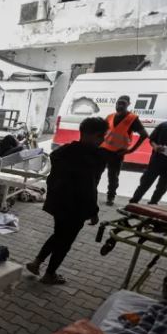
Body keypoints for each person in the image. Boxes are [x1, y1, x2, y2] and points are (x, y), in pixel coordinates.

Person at [26, 117, 108, 285]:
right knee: (65, 241)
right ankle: (49, 274)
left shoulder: (64, 151)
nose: (103, 140)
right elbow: (89, 187)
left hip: (59, 203)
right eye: (101, 136)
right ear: (91, 135)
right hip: (76, 207)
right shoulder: (94, 157)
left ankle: (36, 262)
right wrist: (93, 211)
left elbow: (53, 179)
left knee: (59, 234)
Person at [129, 102, 167, 205]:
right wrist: (156, 147)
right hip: (157, 161)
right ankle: (133, 202)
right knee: (145, 182)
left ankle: (153, 204)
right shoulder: (164, 125)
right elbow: (152, 139)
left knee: (162, 187)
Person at [99, 95, 148, 206]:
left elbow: (144, 135)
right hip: (103, 150)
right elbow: (102, 131)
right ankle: (90, 192)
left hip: (117, 153)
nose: (120, 106)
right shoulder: (110, 116)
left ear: (128, 105)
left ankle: (110, 197)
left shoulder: (132, 119)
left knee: (113, 177)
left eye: (123, 103)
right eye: (118, 103)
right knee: (96, 172)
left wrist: (131, 150)